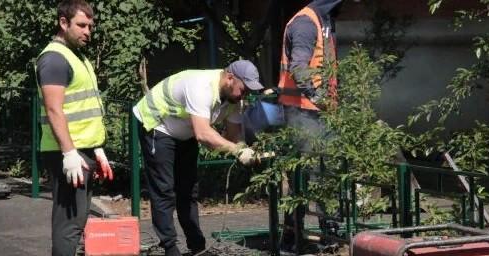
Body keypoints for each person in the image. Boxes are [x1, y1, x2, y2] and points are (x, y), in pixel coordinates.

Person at [132, 60, 264, 256]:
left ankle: (197, 246)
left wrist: (246, 152)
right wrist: (237, 151)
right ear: (230, 78)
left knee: (188, 190)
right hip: (157, 125)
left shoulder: (234, 99)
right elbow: (203, 134)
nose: (246, 95)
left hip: (185, 131)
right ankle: (169, 247)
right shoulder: (201, 87)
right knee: (164, 190)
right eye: (244, 89)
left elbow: (234, 137)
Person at [35, 1, 114, 255]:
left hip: (82, 150)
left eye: (90, 26)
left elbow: (83, 108)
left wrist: (96, 149)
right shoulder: (54, 59)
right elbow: (54, 109)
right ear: (63, 23)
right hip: (67, 153)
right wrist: (69, 153)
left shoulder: (77, 57)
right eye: (81, 25)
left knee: (77, 220)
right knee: (68, 224)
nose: (87, 31)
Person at [276, 0, 344, 253]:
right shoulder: (305, 23)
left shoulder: (324, 20)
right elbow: (298, 67)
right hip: (303, 110)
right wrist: (317, 97)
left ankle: (324, 235)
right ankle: (297, 237)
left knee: (323, 173)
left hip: (316, 111)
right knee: (308, 175)